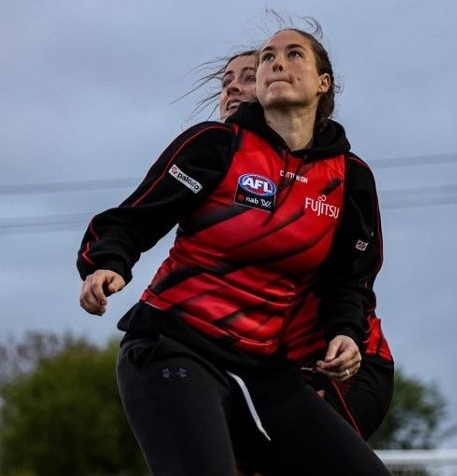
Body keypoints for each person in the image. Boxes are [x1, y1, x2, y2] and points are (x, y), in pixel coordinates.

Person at [77, 23, 391, 476]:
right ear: (258, 86)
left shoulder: (350, 178)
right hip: (174, 348)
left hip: (264, 370)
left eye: (293, 54)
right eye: (267, 57)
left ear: (324, 83)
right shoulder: (216, 144)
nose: (277, 62)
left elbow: (350, 281)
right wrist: (108, 263)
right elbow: (134, 218)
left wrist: (345, 333)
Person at [217, 49, 395, 440]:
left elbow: (354, 281)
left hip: (334, 362)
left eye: (248, 77)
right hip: (257, 366)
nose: (232, 86)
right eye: (225, 80)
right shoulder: (214, 158)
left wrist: (344, 334)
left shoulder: (340, 174)